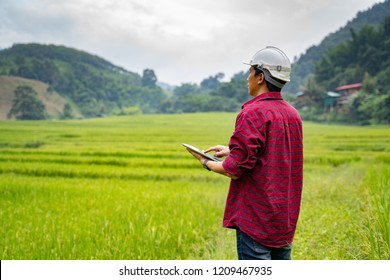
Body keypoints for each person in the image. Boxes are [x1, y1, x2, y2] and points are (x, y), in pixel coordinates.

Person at [186, 46, 303, 260]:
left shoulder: (252, 113)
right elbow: (274, 151)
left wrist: (205, 162)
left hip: (256, 220)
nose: (247, 77)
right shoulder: (292, 114)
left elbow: (234, 170)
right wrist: (232, 150)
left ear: (260, 77)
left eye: (250, 72)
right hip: (284, 219)